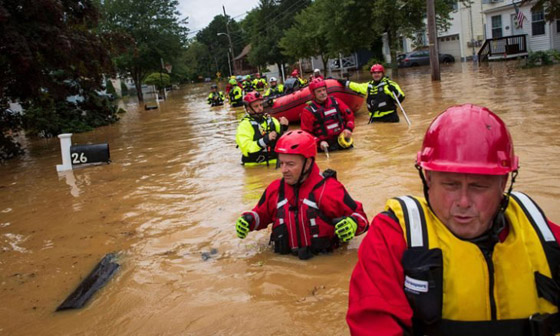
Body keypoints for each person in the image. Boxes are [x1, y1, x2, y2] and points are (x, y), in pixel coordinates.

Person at [347, 104, 560, 336]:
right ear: (428, 178)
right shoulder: (392, 237)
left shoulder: (543, 236)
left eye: (479, 187)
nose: (464, 201)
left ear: (503, 183)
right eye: (450, 184)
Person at [235, 130, 369, 260]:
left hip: (322, 263)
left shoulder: (329, 189)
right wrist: (250, 220)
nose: (283, 170)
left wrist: (353, 224)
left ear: (308, 163)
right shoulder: (275, 189)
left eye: (290, 164)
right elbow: (261, 215)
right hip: (283, 264)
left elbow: (361, 217)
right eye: (281, 163)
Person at [301, 78, 355, 152]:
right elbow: (306, 133)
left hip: (343, 140)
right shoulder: (308, 111)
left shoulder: (336, 102)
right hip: (324, 146)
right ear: (313, 94)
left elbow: (350, 117)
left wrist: (348, 129)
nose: (322, 93)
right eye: (319, 91)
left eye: (323, 90)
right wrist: (319, 142)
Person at [235, 92, 289, 166]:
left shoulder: (271, 119)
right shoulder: (244, 125)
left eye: (261, 105)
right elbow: (246, 148)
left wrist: (284, 126)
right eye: (256, 106)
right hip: (255, 167)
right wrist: (264, 140)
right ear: (248, 109)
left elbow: (282, 138)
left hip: (274, 164)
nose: (260, 108)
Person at [338, 64, 405, 123]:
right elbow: (358, 87)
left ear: (382, 73)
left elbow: (401, 98)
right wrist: (345, 82)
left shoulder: (390, 85)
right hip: (375, 118)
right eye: (374, 73)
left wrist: (395, 91)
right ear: (371, 74)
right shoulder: (369, 85)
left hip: (390, 117)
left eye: (378, 72)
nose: (376, 75)